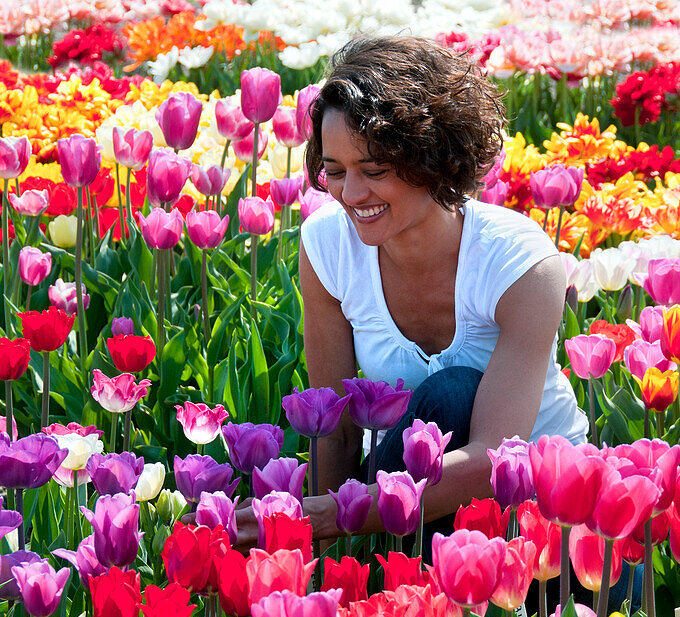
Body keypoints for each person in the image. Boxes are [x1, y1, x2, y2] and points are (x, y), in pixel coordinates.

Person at [234, 36, 588, 556]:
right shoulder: (328, 246)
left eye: (374, 170)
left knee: (452, 392)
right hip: (401, 517)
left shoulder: (518, 262)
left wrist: (341, 514)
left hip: (539, 514)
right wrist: (312, 552)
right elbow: (334, 429)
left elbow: (497, 456)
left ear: (431, 156)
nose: (352, 194)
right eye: (335, 171)